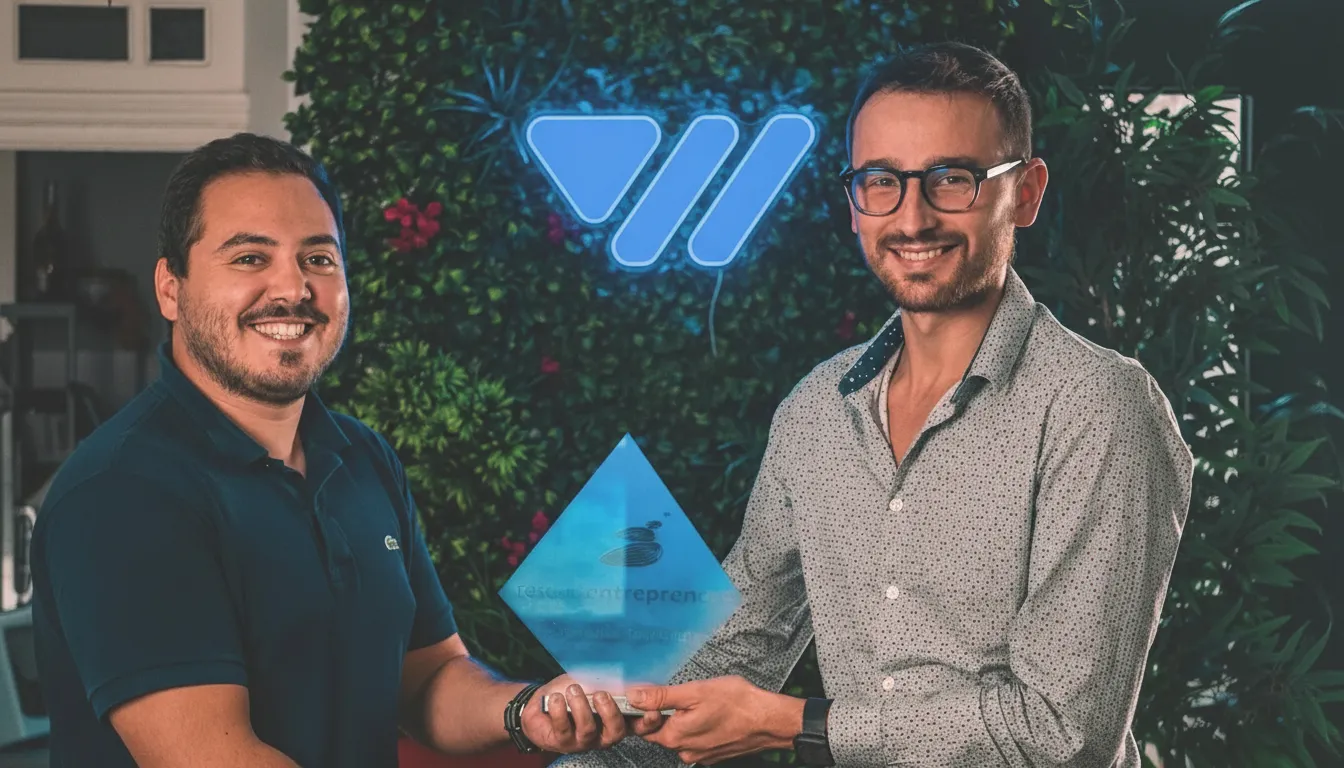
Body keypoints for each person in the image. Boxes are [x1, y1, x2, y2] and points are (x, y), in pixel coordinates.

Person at [556, 41, 1194, 768]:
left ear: (1026, 191)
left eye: (952, 179)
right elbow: (743, 642)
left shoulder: (1098, 408)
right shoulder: (815, 413)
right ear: (854, 201)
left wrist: (793, 722)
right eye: (881, 181)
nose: (912, 218)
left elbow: (1061, 734)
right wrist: (601, 725)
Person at [30, 133, 630, 767]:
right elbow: (215, 758)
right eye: (249, 259)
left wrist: (526, 711)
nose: (292, 288)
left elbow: (427, 680)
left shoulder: (362, 457)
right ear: (171, 289)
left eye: (317, 258)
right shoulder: (125, 491)